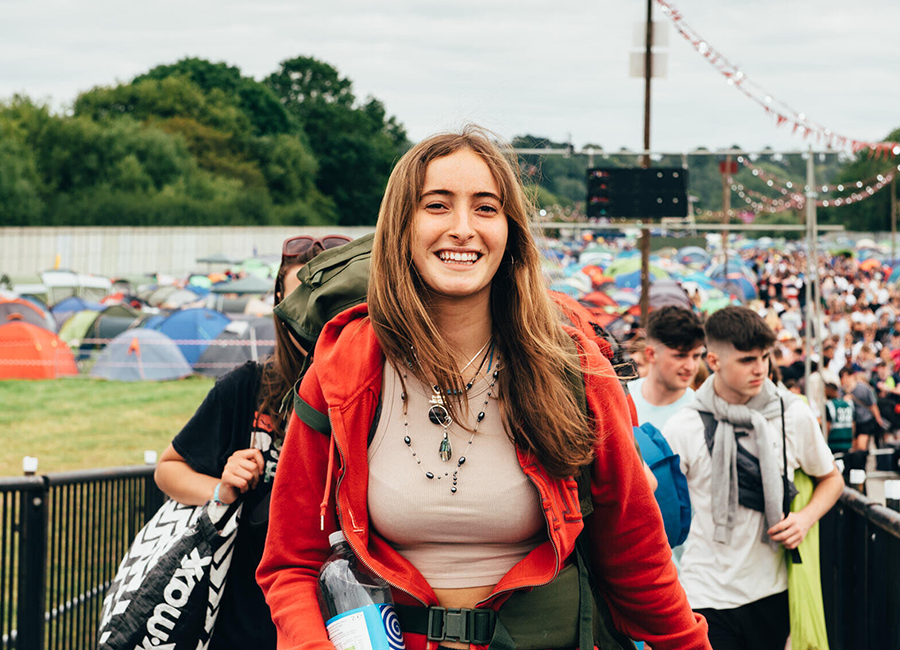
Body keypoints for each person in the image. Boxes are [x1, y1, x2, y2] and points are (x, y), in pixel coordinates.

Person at [256, 127, 710, 649]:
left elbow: (637, 556)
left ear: (511, 231)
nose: (462, 229)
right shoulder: (344, 369)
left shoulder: (573, 362)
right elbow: (292, 563)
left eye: (486, 208)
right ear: (400, 226)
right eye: (437, 205)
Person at [153, 233, 350, 650]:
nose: (310, 315)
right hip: (244, 623)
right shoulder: (247, 387)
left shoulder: (376, 389)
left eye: (326, 297)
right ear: (278, 302)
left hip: (346, 623)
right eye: (299, 297)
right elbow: (168, 469)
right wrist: (220, 489)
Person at [663, 306, 843, 650]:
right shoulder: (683, 425)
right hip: (705, 592)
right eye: (747, 360)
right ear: (713, 361)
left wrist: (804, 519)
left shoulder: (793, 413)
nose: (761, 368)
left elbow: (831, 479)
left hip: (772, 591)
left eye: (765, 356)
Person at [628, 305, 705, 433]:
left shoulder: (700, 415)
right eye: (680, 356)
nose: (691, 367)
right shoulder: (623, 400)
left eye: (696, 356)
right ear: (651, 354)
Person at [839, 365, 886, 450]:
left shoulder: (863, 388)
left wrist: (878, 419)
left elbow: (873, 405)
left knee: (861, 447)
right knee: (854, 448)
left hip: (865, 421)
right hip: (852, 423)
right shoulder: (841, 392)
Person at [823, 381, 854, 454]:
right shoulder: (848, 403)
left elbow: (827, 426)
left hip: (833, 444)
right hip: (847, 443)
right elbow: (853, 424)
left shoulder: (829, 405)